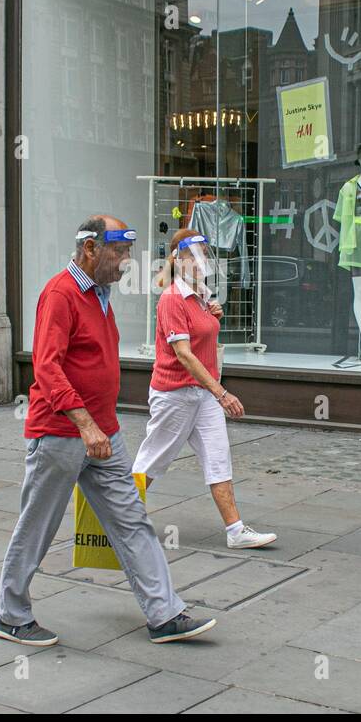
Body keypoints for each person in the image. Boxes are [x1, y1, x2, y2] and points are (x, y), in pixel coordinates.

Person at [0, 215, 215, 647]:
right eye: (121, 251)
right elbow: (47, 368)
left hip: (103, 435)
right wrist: (85, 423)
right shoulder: (61, 294)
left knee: (131, 520)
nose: (127, 260)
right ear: (91, 249)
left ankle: (164, 614)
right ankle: (9, 613)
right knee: (37, 525)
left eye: (129, 251)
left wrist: (100, 427)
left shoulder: (101, 294)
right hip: (60, 433)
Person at [133, 229, 277, 549]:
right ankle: (119, 521)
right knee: (152, 461)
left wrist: (213, 318)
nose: (200, 263)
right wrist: (222, 393)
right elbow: (183, 354)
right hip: (175, 394)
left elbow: (200, 341)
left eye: (203, 256)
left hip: (203, 395)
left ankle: (236, 530)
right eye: (193, 257)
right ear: (177, 261)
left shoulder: (202, 295)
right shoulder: (172, 298)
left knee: (218, 458)